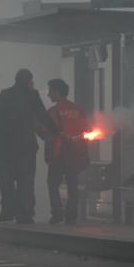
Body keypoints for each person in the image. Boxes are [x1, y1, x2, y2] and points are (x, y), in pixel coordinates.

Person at [0, 69, 59, 224]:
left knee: (6, 180)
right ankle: (24, 213)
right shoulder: (32, 95)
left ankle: (8, 209)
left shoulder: (5, 95)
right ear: (29, 80)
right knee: (26, 180)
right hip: (26, 146)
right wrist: (56, 130)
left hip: (4, 146)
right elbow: (42, 115)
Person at [44, 79, 91, 225]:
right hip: (76, 154)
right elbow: (88, 131)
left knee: (53, 184)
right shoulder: (78, 110)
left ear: (57, 92)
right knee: (73, 185)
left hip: (58, 154)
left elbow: (47, 132)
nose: (48, 94)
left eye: (50, 91)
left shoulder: (52, 112)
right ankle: (71, 216)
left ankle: (57, 214)